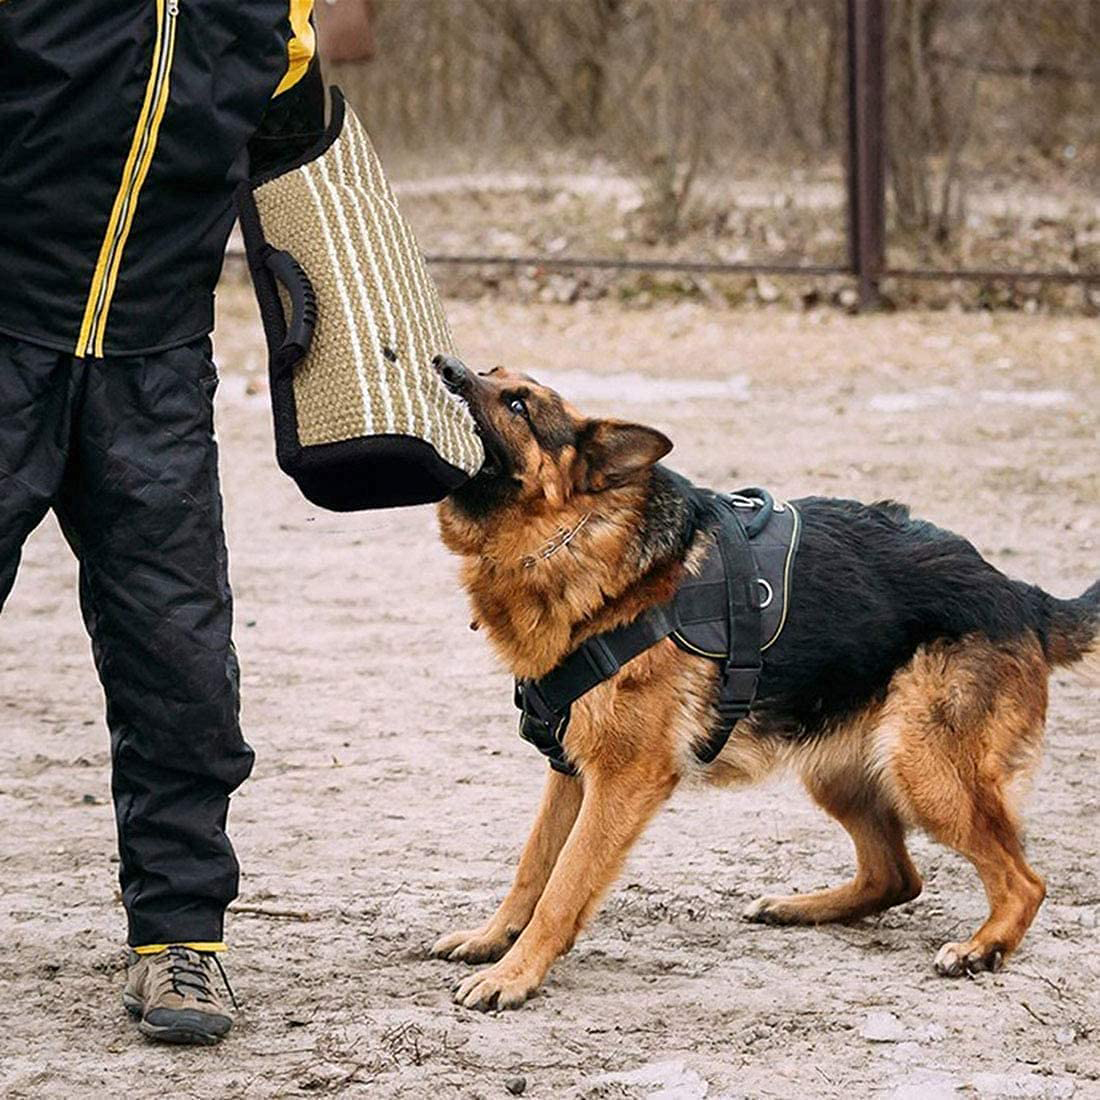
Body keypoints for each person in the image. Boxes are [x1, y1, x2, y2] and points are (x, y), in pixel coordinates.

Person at [0, 1, 326, 1045]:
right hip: (5, 329)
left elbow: (305, 159)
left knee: (179, 658)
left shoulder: (280, 11)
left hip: (157, 366)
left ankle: (180, 938)